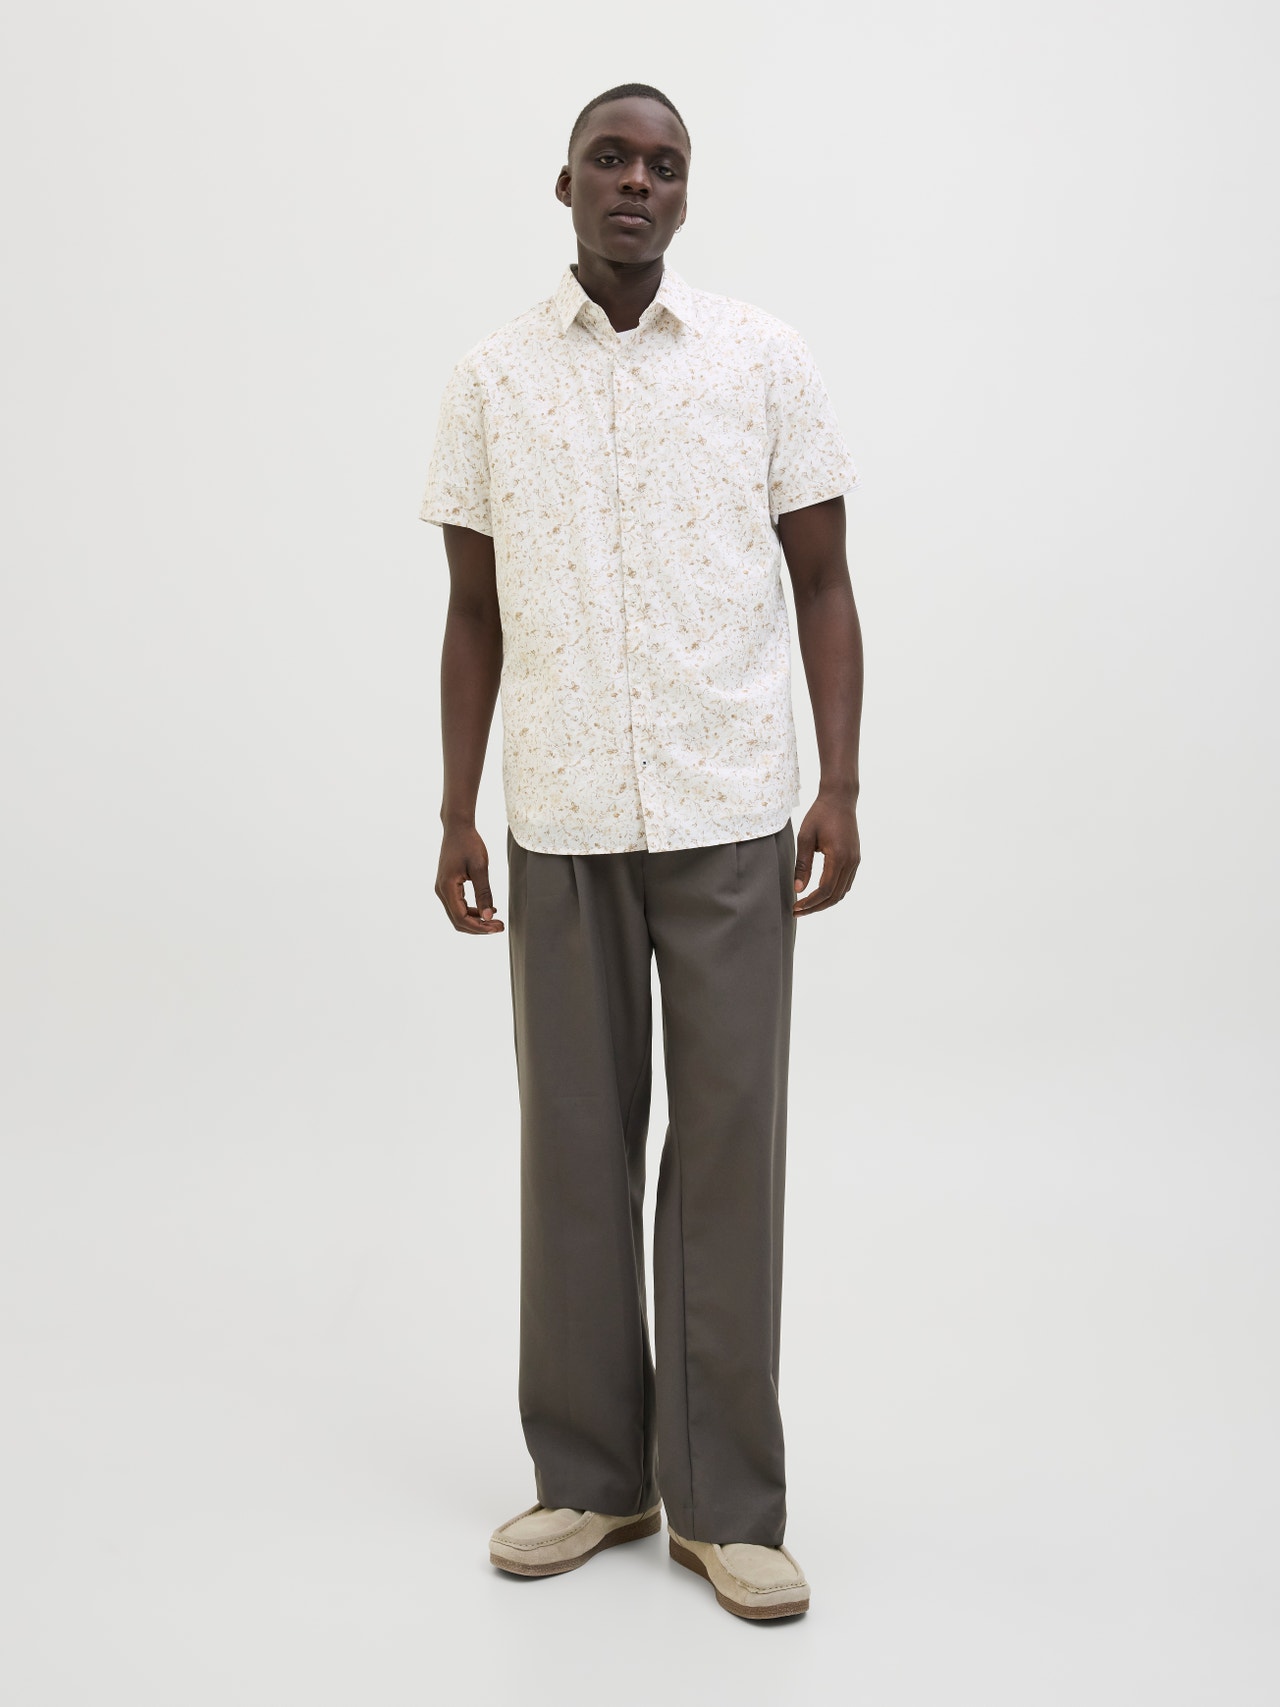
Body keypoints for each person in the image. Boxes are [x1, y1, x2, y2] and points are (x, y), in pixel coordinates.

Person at [419, 82, 863, 1621]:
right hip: (560, 813)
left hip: (732, 808)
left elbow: (825, 584)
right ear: (564, 185)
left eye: (664, 165)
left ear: (686, 196)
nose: (636, 181)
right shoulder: (491, 379)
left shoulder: (762, 360)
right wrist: (456, 809)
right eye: (610, 157)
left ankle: (727, 1505)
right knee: (572, 1148)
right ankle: (593, 1476)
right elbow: (470, 612)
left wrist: (840, 783)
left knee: (729, 1149)